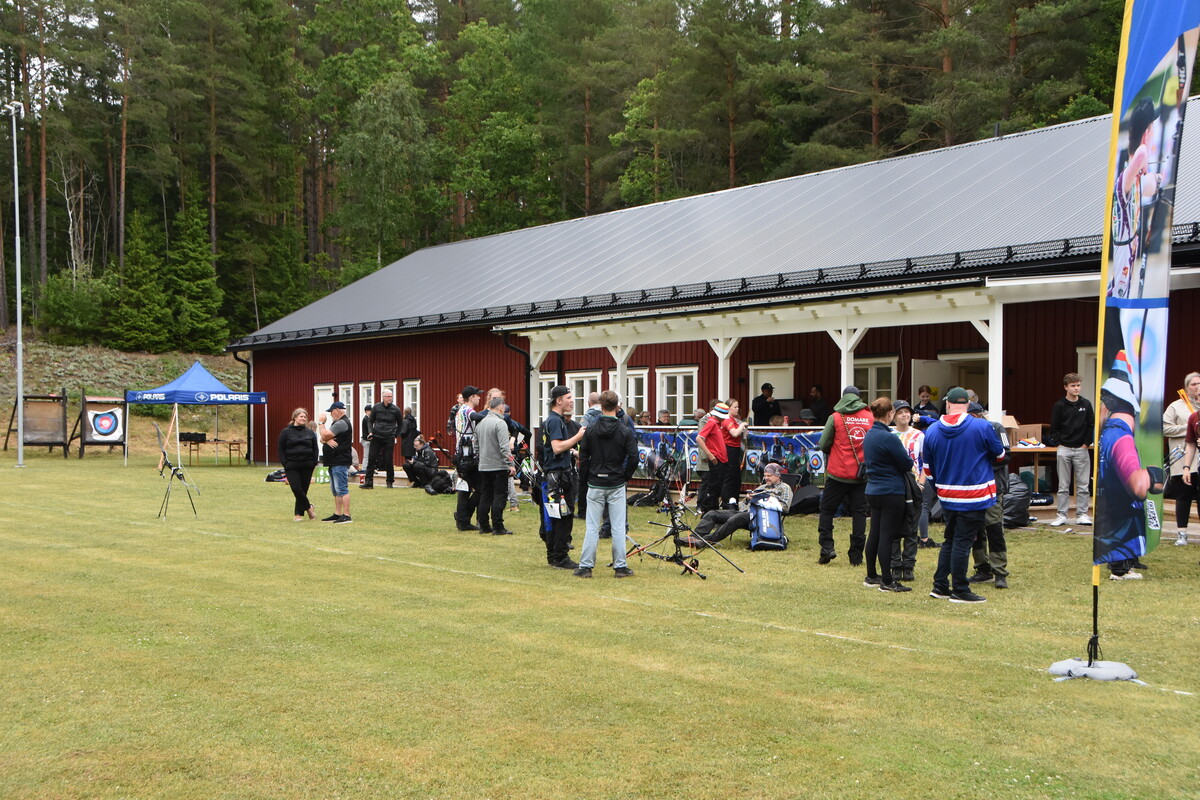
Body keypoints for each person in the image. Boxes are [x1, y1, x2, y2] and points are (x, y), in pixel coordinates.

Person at [922, 387, 1005, 603]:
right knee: (962, 541)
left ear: (948, 404)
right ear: (968, 404)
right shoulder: (982, 426)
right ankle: (959, 588)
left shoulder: (932, 431)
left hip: (947, 494)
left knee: (950, 539)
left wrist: (940, 487)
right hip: (975, 493)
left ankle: (940, 585)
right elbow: (1000, 455)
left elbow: (928, 469)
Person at [1097, 357, 1165, 579]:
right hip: (1121, 518)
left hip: (1113, 515)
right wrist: (1153, 475)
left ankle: (1124, 564)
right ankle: (1120, 570)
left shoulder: (1109, 433)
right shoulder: (1122, 437)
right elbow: (1138, 487)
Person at [575, 390, 639, 578]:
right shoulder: (624, 430)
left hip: (596, 482)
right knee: (618, 527)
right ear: (617, 406)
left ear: (601, 406)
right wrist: (625, 476)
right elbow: (634, 457)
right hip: (616, 482)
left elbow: (583, 457)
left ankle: (585, 566)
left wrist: (586, 478)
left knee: (592, 527)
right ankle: (620, 566)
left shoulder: (591, 429)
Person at [862, 397, 914, 592]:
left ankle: (871, 575)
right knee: (887, 536)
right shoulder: (889, 437)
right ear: (890, 414)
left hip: (873, 489)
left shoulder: (870, 434)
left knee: (874, 533)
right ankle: (887, 580)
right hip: (891, 490)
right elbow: (906, 463)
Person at [816, 386, 871, 565]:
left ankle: (827, 547)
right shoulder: (870, 417)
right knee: (859, 513)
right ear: (859, 398)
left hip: (837, 473)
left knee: (827, 509)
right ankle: (856, 556)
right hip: (860, 474)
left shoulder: (836, 417)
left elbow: (823, 444)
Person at [966, 402, 1013, 589]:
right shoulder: (966, 431)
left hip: (993, 486)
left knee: (994, 527)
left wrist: (980, 464)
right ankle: (982, 568)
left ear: (975, 416)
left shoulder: (996, 428)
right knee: (976, 530)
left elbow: (1006, 455)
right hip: (972, 487)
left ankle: (999, 571)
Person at [688, 462, 793, 545]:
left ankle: (706, 540)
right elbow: (741, 506)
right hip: (746, 513)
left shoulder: (785, 488)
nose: (766, 478)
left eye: (769, 475)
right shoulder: (762, 487)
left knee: (735, 519)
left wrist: (764, 500)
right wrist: (747, 499)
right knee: (712, 513)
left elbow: (785, 508)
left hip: (762, 517)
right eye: (765, 475)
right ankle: (693, 537)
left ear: (777, 476)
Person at [539, 386, 586, 569]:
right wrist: (578, 436)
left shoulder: (553, 420)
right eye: (568, 397)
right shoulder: (555, 421)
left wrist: (573, 452)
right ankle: (560, 557)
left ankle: (553, 556)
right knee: (563, 517)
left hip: (556, 474)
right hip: (558, 476)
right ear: (559, 401)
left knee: (556, 515)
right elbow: (557, 447)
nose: (572, 401)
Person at [1049, 372, 1094, 526]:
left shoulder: (1086, 404)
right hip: (1064, 449)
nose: (1076, 388)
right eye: (1073, 385)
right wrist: (1059, 443)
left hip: (1082, 449)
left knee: (1083, 485)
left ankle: (1082, 514)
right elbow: (1054, 427)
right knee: (1063, 485)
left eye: (1078, 385)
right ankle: (1062, 515)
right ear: (1066, 387)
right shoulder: (1059, 405)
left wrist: (1086, 443)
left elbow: (1091, 425)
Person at [888, 400, 924, 582]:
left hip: (914, 485)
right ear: (893, 415)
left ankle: (909, 565)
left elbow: (926, 461)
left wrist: (922, 483)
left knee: (911, 527)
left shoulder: (918, 435)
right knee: (893, 526)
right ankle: (895, 564)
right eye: (900, 412)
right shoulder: (889, 435)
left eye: (907, 412)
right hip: (895, 485)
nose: (904, 415)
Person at [1163, 372, 1200, 546]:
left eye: (1199, 383)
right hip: (1183, 458)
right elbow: (1164, 428)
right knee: (1183, 496)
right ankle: (1182, 533)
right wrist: (1190, 428)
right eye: (1193, 384)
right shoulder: (1176, 406)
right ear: (1186, 387)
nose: (1197, 387)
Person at [475, 395, 515, 535]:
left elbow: (476, 446)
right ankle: (498, 526)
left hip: (484, 465)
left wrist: (482, 459)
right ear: (501, 408)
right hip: (499, 466)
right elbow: (505, 447)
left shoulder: (480, 424)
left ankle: (484, 525)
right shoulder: (500, 423)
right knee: (499, 495)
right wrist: (511, 464)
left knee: (485, 495)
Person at [278, 407, 319, 521]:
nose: (303, 418)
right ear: (295, 417)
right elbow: (281, 449)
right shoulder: (286, 432)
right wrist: (285, 463)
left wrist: (314, 462)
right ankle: (309, 508)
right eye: (301, 416)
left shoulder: (310, 432)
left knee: (303, 490)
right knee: (296, 488)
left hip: (307, 465)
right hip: (292, 465)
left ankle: (298, 514)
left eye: (305, 417)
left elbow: (315, 448)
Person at [317, 401, 354, 524]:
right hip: (333, 461)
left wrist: (321, 423)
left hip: (340, 460)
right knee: (335, 490)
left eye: (331, 411)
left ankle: (346, 515)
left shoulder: (342, 423)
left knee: (342, 488)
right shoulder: (337, 423)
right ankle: (337, 513)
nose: (330, 414)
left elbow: (324, 434)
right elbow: (322, 438)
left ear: (337, 410)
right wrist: (326, 440)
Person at [453, 386, 483, 531]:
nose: (479, 398)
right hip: (468, 456)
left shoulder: (459, 411)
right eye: (477, 395)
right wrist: (491, 414)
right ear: (471, 397)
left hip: (461, 455)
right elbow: (476, 417)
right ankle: (463, 517)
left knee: (464, 488)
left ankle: (462, 519)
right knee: (482, 487)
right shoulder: (467, 410)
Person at [696, 402, 732, 513]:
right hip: (716, 459)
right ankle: (707, 511)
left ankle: (713, 511)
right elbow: (699, 438)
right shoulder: (711, 422)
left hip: (722, 459)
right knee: (713, 488)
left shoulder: (717, 424)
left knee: (717, 487)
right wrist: (710, 455)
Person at [363, 389, 402, 489]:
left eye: (391, 396)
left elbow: (400, 424)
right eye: (388, 396)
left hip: (389, 437)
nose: (390, 398)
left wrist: (395, 435)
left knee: (388, 460)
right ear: (383, 397)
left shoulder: (396, 410)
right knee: (371, 458)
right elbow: (370, 421)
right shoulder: (376, 407)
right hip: (376, 436)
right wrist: (370, 432)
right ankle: (368, 482)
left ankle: (390, 482)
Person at [717, 399, 749, 509]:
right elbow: (734, 433)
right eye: (735, 407)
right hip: (729, 449)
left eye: (738, 407)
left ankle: (733, 502)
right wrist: (742, 424)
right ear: (728, 408)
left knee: (736, 478)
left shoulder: (733, 420)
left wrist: (743, 430)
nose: (737, 409)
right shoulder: (727, 420)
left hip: (734, 449)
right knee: (730, 477)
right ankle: (727, 503)